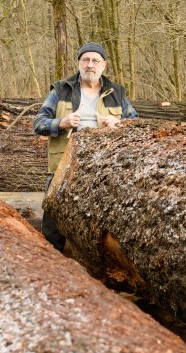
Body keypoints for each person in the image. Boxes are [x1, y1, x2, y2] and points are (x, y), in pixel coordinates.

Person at [34, 42, 138, 251]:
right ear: (79, 63)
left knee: (100, 226)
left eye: (95, 60)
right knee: (53, 224)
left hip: (105, 169)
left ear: (104, 65)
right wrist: (61, 123)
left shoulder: (117, 92)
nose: (90, 65)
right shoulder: (61, 90)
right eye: (86, 60)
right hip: (64, 166)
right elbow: (38, 123)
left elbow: (137, 125)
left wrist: (119, 124)